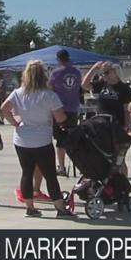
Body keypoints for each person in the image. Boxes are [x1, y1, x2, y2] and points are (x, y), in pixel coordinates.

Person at [0, 60, 73, 218]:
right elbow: (60, 117)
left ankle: (30, 207)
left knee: (26, 173)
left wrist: (14, 122)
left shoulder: (18, 93)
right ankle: (60, 207)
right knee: (50, 175)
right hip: (42, 140)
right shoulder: (49, 95)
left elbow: (4, 108)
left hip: (22, 139)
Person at [82, 61, 131, 175]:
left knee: (119, 158)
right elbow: (84, 85)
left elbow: (127, 110)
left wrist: (127, 127)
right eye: (102, 73)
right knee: (104, 156)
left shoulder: (124, 88)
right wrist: (94, 69)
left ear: (114, 72)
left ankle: (123, 180)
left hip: (117, 125)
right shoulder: (102, 85)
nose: (104, 76)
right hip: (102, 125)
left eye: (107, 73)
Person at [48, 48, 81, 177]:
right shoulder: (77, 72)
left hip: (59, 109)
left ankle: (61, 167)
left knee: (60, 140)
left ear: (58, 59)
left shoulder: (56, 73)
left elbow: (50, 90)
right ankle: (80, 164)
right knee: (72, 137)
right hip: (73, 108)